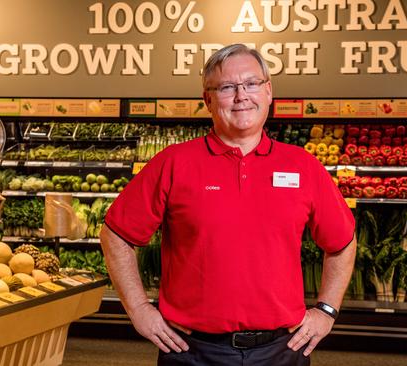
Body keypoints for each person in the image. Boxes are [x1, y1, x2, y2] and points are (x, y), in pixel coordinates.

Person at [101, 43, 356, 366]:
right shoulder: (173, 163)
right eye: (226, 87)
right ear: (207, 99)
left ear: (268, 92)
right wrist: (138, 308)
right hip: (191, 352)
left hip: (282, 350)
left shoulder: (303, 166)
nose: (241, 96)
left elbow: (342, 242)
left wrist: (327, 310)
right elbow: (116, 234)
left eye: (251, 84)